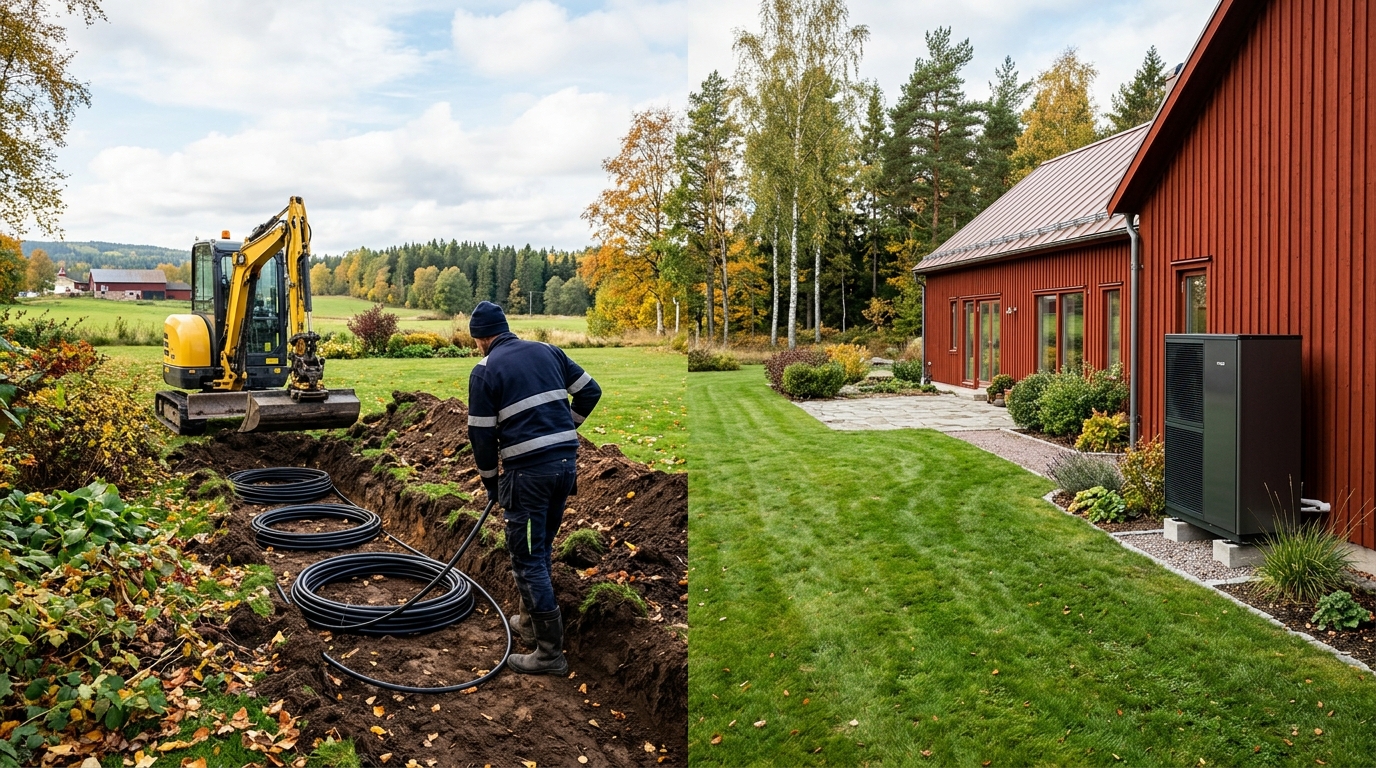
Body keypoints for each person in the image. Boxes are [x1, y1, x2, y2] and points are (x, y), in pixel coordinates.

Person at [466, 301, 601, 675]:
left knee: (526, 558)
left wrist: (492, 483)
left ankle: (549, 654)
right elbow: (591, 391)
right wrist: (566, 430)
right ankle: (528, 624)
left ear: (481, 338)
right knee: (539, 547)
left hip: (529, 477)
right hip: (564, 469)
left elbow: (480, 435)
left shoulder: (485, 370)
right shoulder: (548, 351)